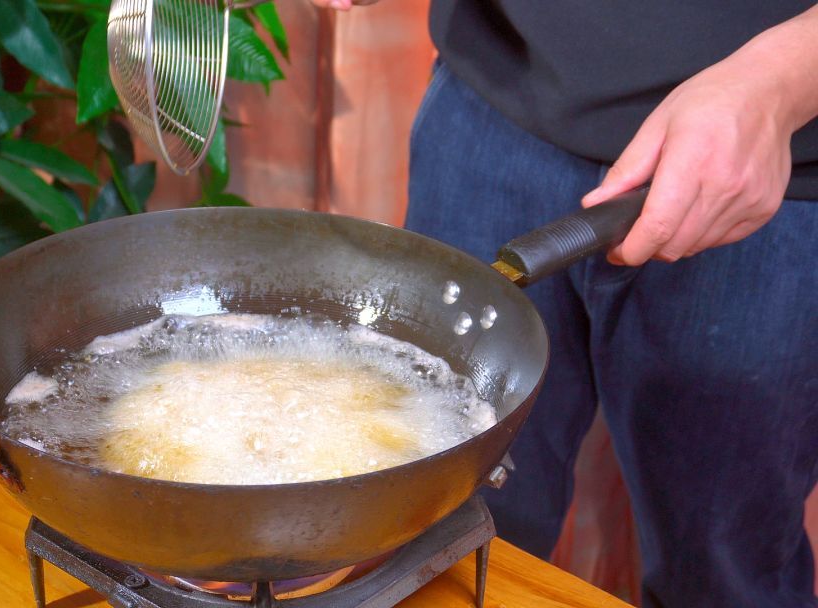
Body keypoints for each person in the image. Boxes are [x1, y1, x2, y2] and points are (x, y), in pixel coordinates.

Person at [311, 1, 818, 606]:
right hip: (494, 100)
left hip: (768, 160)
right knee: (436, 534)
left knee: (722, 567)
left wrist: (782, 80)